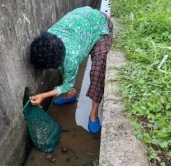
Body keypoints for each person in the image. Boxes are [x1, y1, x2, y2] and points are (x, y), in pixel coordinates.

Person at [29, 6, 113, 134]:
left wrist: (43, 96)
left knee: (97, 73)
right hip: (84, 22)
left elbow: (68, 82)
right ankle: (70, 96)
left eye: (47, 68)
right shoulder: (49, 39)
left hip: (100, 26)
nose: (46, 70)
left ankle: (93, 114)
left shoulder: (71, 58)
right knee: (66, 70)